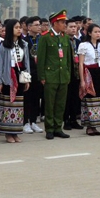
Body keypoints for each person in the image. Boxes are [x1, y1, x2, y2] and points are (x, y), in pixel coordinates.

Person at [38, 10, 73, 140]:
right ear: (55, 23)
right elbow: (41, 58)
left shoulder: (65, 37)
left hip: (63, 75)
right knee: (50, 104)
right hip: (50, 75)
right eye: (63, 22)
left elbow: (68, 58)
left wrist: (68, 73)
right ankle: (49, 128)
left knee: (60, 104)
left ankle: (59, 127)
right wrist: (42, 76)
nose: (65, 25)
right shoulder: (45, 37)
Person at [0, 19, 30, 143]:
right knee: (8, 105)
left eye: (20, 27)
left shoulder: (24, 44)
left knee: (18, 105)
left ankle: (16, 132)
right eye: (16, 27)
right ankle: (8, 133)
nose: (19, 30)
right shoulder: (4, 46)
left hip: (20, 75)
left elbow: (26, 63)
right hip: (8, 77)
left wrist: (27, 79)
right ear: (10, 30)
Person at [77, 23, 100, 136]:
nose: (98, 34)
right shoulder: (83, 45)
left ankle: (96, 125)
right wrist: (82, 80)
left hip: (98, 72)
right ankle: (89, 126)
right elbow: (80, 63)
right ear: (89, 33)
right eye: (95, 32)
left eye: (99, 31)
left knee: (99, 98)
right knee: (89, 98)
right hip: (88, 73)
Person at [23, 16, 44, 134]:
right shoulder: (24, 41)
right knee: (27, 98)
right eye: (36, 25)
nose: (39, 27)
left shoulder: (42, 40)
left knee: (37, 98)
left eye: (40, 25)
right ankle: (25, 122)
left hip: (39, 73)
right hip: (28, 73)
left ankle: (33, 121)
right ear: (29, 27)